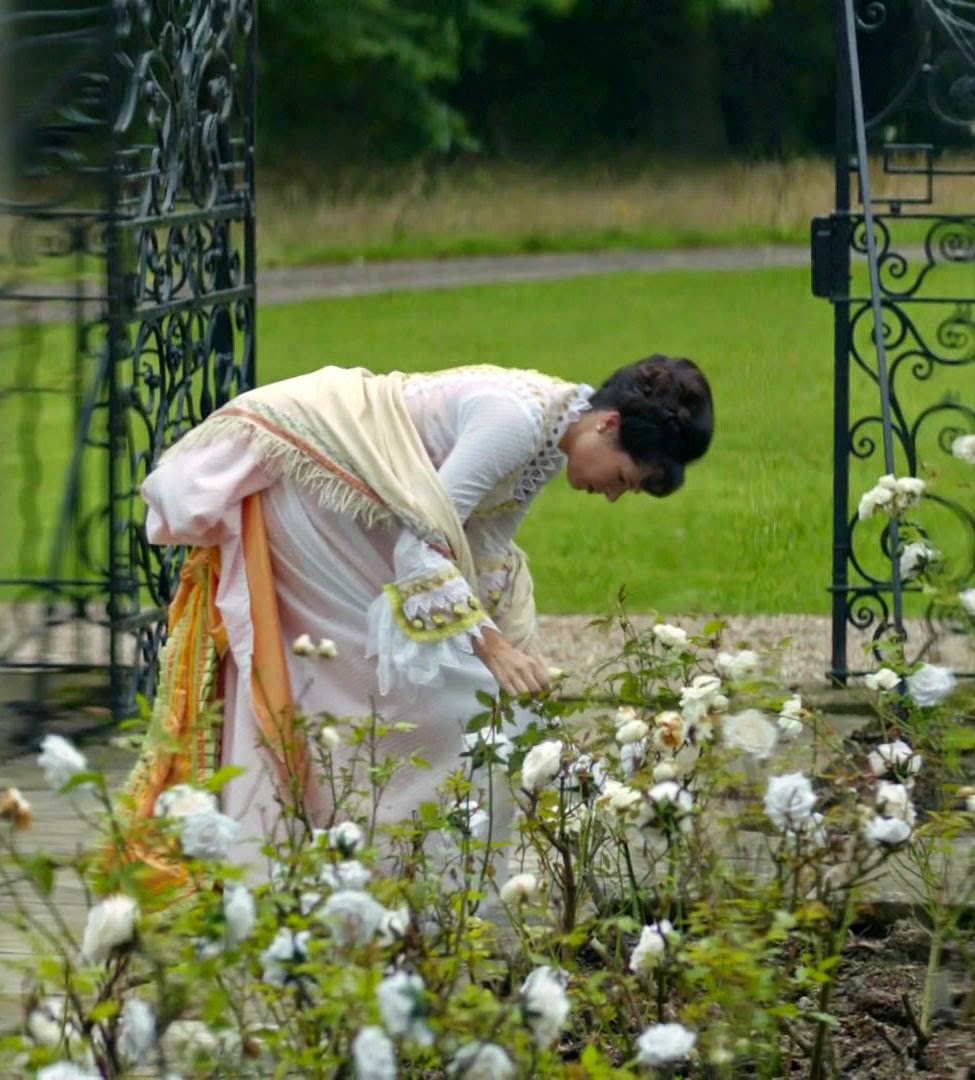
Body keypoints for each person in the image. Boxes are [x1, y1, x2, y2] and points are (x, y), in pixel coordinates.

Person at [124, 356, 714, 878]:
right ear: (607, 425)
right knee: (378, 682)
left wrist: (518, 656)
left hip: (362, 514)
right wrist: (494, 652)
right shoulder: (514, 422)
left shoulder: (550, 433)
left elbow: (481, 549)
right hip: (313, 491)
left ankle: (369, 867)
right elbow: (422, 548)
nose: (613, 495)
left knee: (452, 692)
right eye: (624, 479)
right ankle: (339, 862)